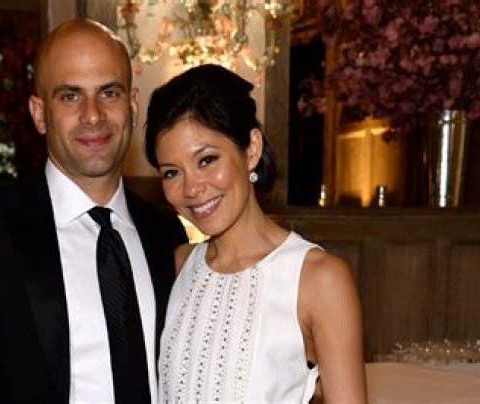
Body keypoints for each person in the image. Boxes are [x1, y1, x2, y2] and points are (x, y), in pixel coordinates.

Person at [0, 19, 187, 403]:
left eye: (109, 92)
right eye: (70, 96)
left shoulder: (165, 233)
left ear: (133, 106)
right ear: (39, 113)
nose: (93, 115)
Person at [143, 64, 367, 403]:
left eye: (207, 160)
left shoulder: (318, 278)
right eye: (172, 172)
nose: (191, 189)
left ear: (251, 150)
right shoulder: (178, 266)